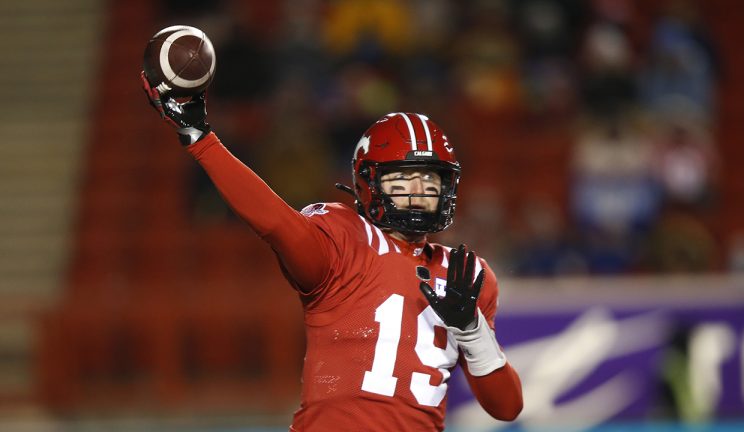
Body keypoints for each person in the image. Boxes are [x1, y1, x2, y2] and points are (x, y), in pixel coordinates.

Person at [141, 73, 523, 431]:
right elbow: (276, 223)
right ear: (369, 182)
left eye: (430, 178)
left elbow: (506, 408)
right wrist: (203, 141)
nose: (419, 190)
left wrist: (472, 331)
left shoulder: (466, 275)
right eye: (402, 178)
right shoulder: (344, 237)